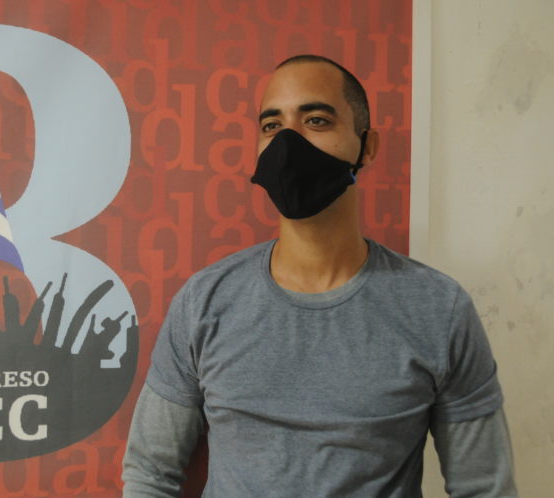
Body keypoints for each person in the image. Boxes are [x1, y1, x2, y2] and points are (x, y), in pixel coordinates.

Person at [122, 55, 518, 497]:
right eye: (272, 126)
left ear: (367, 146)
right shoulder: (204, 302)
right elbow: (150, 473)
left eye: (316, 120)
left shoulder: (438, 310)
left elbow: (485, 486)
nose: (288, 142)